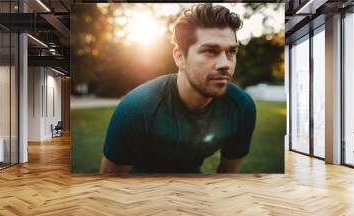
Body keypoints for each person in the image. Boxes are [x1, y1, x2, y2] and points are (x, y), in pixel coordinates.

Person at [100, 3, 256, 175]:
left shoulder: (240, 108)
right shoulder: (136, 109)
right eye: (210, 51)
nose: (225, 64)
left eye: (231, 52)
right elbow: (110, 182)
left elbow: (228, 177)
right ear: (180, 57)